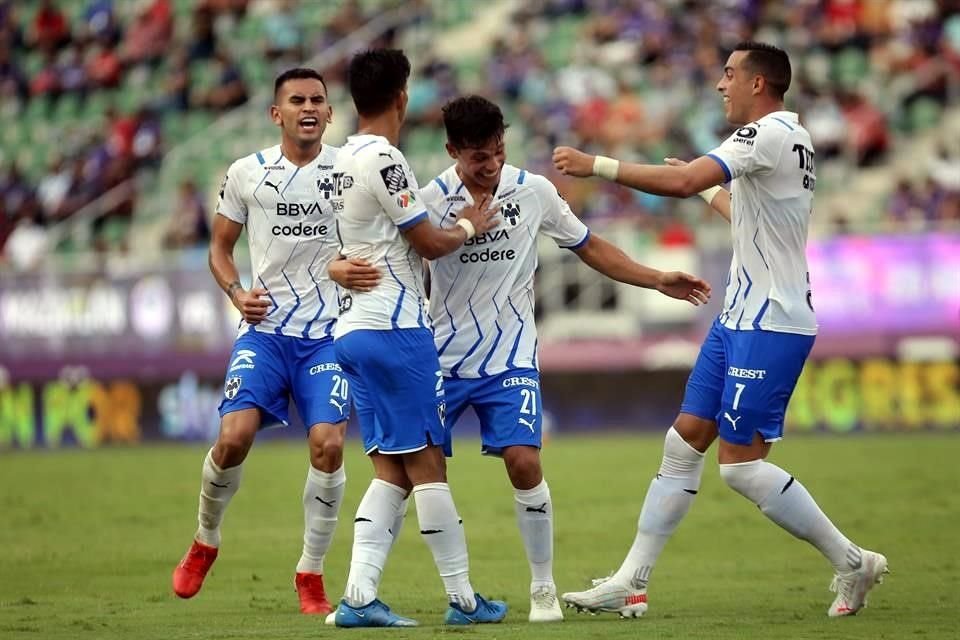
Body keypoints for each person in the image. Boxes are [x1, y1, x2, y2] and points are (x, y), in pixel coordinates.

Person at [330, 94, 712, 624]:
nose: (491, 165)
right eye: (478, 157)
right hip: (437, 357)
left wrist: (655, 278)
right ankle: (364, 593)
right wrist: (336, 268)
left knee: (524, 461)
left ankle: (542, 588)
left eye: (498, 151)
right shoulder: (427, 199)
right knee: (405, 472)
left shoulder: (533, 192)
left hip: (509, 358)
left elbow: (589, 245)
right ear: (452, 151)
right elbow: (373, 245)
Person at [552, 41, 887, 619]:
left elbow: (681, 186)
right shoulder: (791, 140)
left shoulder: (768, 134)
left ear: (759, 84)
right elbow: (747, 214)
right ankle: (630, 582)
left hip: (773, 322)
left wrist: (596, 166)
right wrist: (707, 186)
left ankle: (853, 561)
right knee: (682, 443)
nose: (720, 84)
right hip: (737, 317)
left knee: (741, 465)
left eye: (730, 74)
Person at [327, 49, 506, 628]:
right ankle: (463, 600)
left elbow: (338, 245)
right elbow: (428, 242)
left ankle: (357, 597)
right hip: (396, 329)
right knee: (429, 465)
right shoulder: (385, 158)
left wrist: (335, 266)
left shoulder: (336, 160)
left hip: (351, 331)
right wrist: (468, 225)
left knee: (390, 469)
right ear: (402, 96)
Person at [171, 68, 347, 616]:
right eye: (297, 100)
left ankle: (310, 573)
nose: (308, 108)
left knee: (330, 445)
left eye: (318, 99)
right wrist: (235, 291)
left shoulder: (349, 171)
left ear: (330, 112)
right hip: (265, 331)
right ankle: (205, 538)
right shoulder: (248, 173)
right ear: (277, 113)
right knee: (233, 437)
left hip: (329, 336)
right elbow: (219, 250)